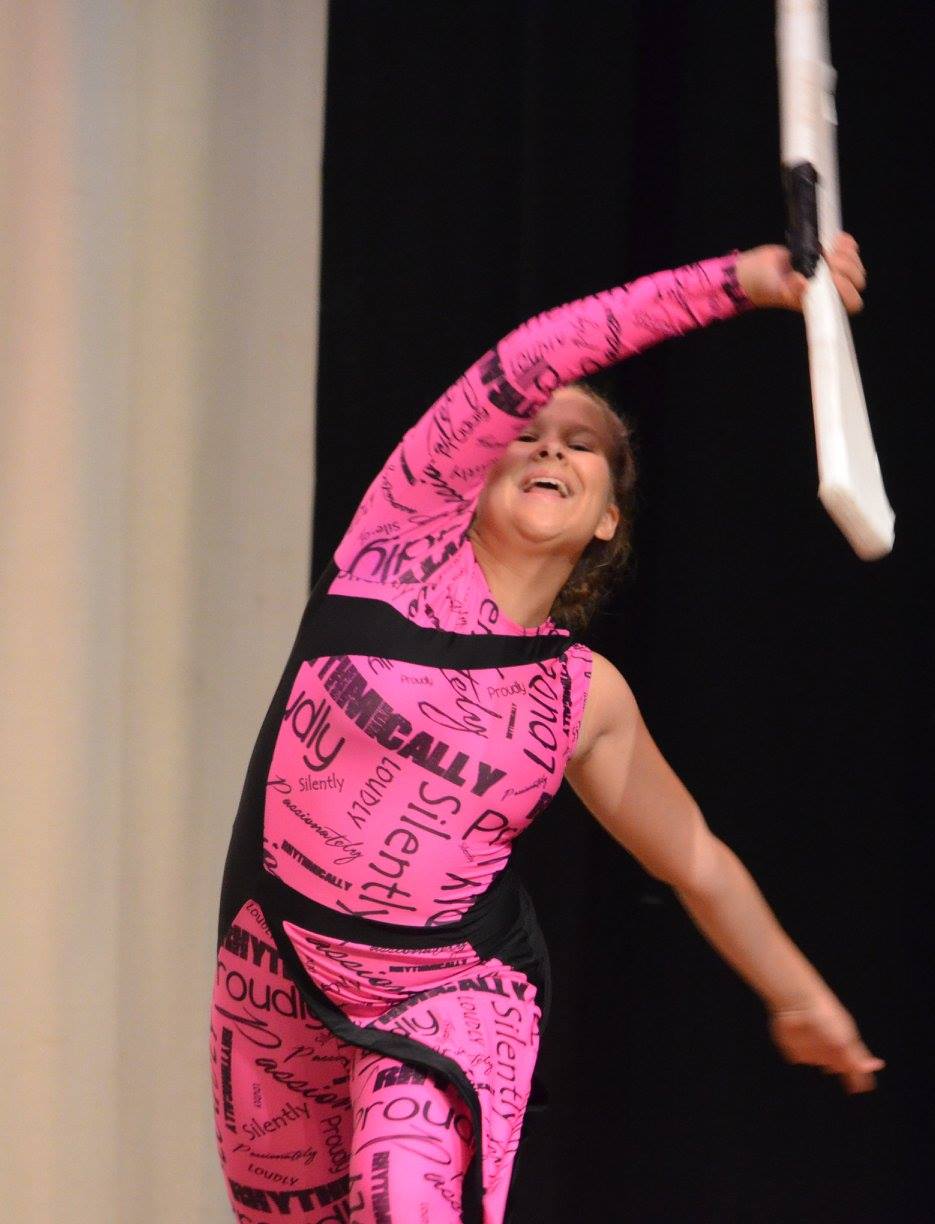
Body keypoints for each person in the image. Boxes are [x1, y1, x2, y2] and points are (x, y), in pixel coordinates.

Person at [211, 234, 879, 1224]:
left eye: (582, 444)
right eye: (527, 434)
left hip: (451, 995)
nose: (550, 447)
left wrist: (798, 996)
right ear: (472, 472)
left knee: (404, 1203)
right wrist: (741, 280)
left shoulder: (583, 697)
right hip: (273, 969)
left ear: (607, 518)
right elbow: (535, 355)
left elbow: (694, 858)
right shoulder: (391, 549)